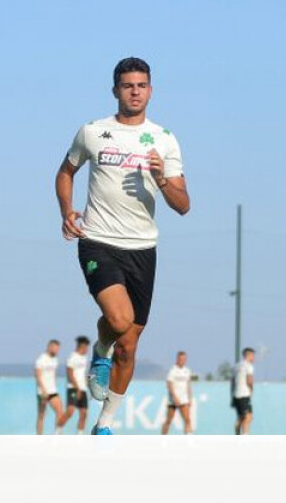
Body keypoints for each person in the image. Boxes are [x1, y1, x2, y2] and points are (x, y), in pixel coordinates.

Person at [55, 57, 190, 435]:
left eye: (141, 86)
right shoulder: (93, 132)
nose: (135, 92)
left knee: (129, 344)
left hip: (143, 249)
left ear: (151, 91)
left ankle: (105, 423)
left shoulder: (164, 138)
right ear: (115, 90)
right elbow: (65, 172)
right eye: (128, 85)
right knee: (119, 321)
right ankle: (101, 351)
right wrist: (67, 211)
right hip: (98, 241)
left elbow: (183, 205)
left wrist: (162, 179)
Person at [59, 336, 90, 434]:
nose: (87, 350)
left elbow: (83, 374)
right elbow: (70, 373)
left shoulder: (84, 358)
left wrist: (88, 386)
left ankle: (79, 436)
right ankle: (57, 431)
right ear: (82, 346)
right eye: (86, 347)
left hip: (83, 389)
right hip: (73, 388)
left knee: (84, 413)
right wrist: (77, 388)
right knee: (70, 411)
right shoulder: (72, 357)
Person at [35, 340, 65, 435]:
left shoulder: (55, 360)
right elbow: (38, 376)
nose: (57, 350)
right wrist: (43, 390)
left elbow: (53, 375)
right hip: (42, 392)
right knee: (41, 415)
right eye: (56, 348)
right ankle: (39, 437)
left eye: (58, 349)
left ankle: (57, 435)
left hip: (53, 391)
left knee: (60, 411)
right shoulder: (41, 360)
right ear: (50, 347)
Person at [162, 351, 194, 435]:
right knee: (168, 421)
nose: (183, 361)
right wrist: (175, 397)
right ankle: (162, 437)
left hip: (184, 399)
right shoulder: (172, 371)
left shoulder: (187, 371)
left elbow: (188, 385)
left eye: (184, 359)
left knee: (187, 419)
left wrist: (190, 398)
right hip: (173, 400)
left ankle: (188, 438)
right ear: (177, 359)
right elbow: (169, 385)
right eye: (181, 359)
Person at [233, 348, 255, 435]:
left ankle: (238, 434)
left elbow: (232, 381)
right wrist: (251, 389)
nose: (253, 358)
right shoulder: (248, 366)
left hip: (236, 394)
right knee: (248, 417)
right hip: (244, 394)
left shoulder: (236, 366)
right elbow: (249, 379)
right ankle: (244, 435)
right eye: (253, 356)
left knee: (241, 417)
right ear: (248, 355)